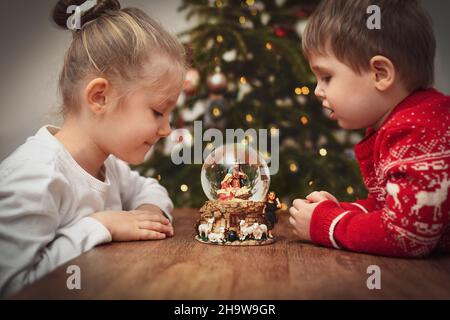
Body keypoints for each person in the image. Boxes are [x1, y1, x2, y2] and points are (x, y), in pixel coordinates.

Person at [0, 0, 186, 297]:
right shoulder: (36, 176)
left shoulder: (108, 165)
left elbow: (148, 188)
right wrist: (101, 225)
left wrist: (148, 211)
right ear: (100, 97)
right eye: (157, 112)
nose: (166, 130)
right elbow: (11, 286)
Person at [289, 0, 450, 258]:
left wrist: (324, 223)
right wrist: (341, 210)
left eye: (326, 77)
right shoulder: (399, 124)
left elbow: (405, 235)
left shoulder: (417, 132)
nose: (317, 91)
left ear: (380, 74)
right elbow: (386, 208)